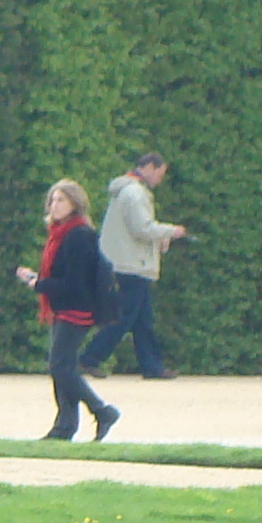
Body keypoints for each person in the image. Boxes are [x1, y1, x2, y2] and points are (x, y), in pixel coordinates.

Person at [14, 179, 119, 441]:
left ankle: (102, 410)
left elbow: (75, 283)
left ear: (75, 204)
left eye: (61, 200)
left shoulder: (78, 235)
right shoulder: (60, 234)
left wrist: (39, 284)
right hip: (63, 307)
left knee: (61, 367)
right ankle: (65, 426)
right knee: (63, 366)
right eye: (52, 200)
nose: (55, 205)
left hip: (77, 309)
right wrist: (37, 279)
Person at [83, 150, 186, 381]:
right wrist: (171, 231)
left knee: (142, 320)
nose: (159, 180)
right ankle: (91, 357)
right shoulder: (135, 193)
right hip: (131, 265)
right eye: (159, 174)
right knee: (125, 317)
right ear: (149, 167)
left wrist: (159, 237)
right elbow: (142, 228)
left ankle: (152, 366)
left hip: (126, 262)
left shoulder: (126, 191)